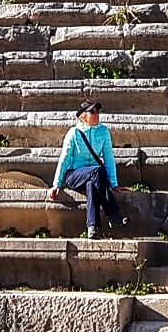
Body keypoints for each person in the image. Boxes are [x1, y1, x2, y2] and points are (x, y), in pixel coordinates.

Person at [46, 100, 125, 238]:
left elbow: (109, 158)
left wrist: (114, 184)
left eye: (97, 111)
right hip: (74, 175)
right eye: (92, 111)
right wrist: (56, 184)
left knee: (92, 185)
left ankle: (92, 227)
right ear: (83, 116)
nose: (96, 114)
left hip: (95, 176)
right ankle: (113, 214)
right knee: (97, 172)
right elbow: (65, 159)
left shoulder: (103, 131)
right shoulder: (74, 133)